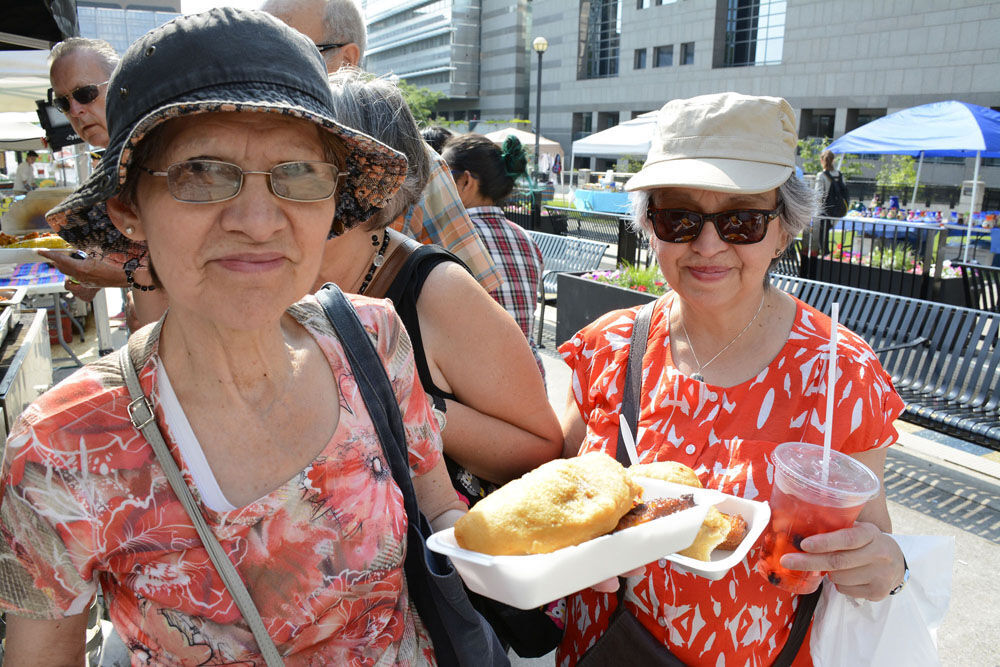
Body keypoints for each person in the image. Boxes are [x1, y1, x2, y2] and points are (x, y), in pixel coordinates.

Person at [0, 10, 469, 663]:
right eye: (200, 172)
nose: (256, 221)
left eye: (299, 172)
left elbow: (438, 508)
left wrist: (528, 547)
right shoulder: (61, 446)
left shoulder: (373, 341)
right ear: (130, 212)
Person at [557, 93, 907, 665]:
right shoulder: (608, 346)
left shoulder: (842, 371)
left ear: (783, 231)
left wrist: (884, 566)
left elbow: (873, 537)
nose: (708, 244)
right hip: (605, 649)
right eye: (679, 217)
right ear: (650, 227)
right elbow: (565, 492)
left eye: (742, 219)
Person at [320, 68, 561, 504]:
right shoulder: (274, 273)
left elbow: (542, 448)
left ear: (377, 181)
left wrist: (413, 407)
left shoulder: (438, 291)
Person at [263, 0, 504, 293]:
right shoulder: (249, 156)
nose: (267, 71)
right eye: (260, 53)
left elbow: (475, 297)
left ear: (347, 61)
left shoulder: (413, 165)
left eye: (289, 53)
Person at [41, 37, 167, 320]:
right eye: (63, 102)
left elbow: (207, 260)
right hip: (157, 348)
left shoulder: (166, 151)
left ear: (123, 84)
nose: (75, 111)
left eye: (85, 94)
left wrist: (118, 276)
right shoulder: (113, 166)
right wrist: (93, 278)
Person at [442, 134, 545, 373]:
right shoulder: (526, 239)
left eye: (443, 178)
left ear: (466, 182)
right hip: (530, 379)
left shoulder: (451, 236)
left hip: (479, 384)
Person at [812, 148, 849, 256]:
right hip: (837, 210)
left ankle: (824, 257)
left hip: (824, 211)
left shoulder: (821, 175)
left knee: (822, 239)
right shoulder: (840, 175)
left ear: (822, 160)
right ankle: (828, 256)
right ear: (833, 160)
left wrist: (815, 211)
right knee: (827, 236)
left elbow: (819, 195)